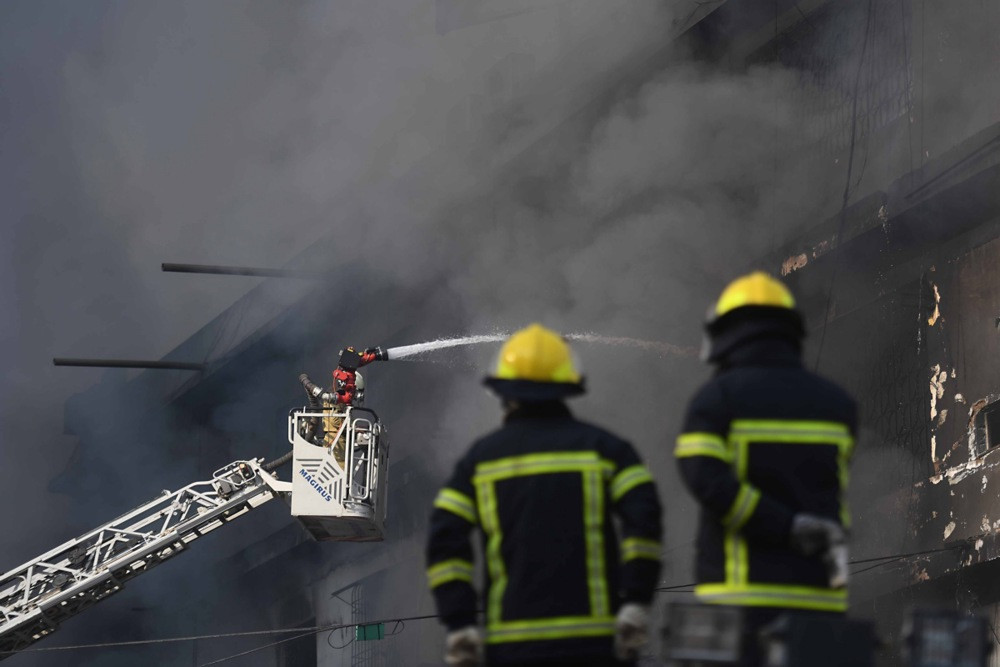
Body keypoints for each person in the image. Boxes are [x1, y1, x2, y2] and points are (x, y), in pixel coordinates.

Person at [426, 324, 663, 667]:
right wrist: (636, 601)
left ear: (504, 393)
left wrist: (459, 623)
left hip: (512, 646)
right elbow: (645, 523)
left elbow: (445, 543)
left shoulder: (480, 460)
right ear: (568, 385)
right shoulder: (606, 449)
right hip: (594, 643)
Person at [675, 272, 857, 666]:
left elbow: (704, 479)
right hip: (818, 603)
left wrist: (783, 525)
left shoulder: (716, 400)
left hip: (735, 604)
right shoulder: (837, 404)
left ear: (726, 332)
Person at [299, 346, 385, 467]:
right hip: (335, 443)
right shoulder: (336, 400)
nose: (355, 395)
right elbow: (337, 423)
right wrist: (355, 429)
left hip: (338, 442)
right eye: (355, 391)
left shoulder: (339, 401)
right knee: (341, 472)